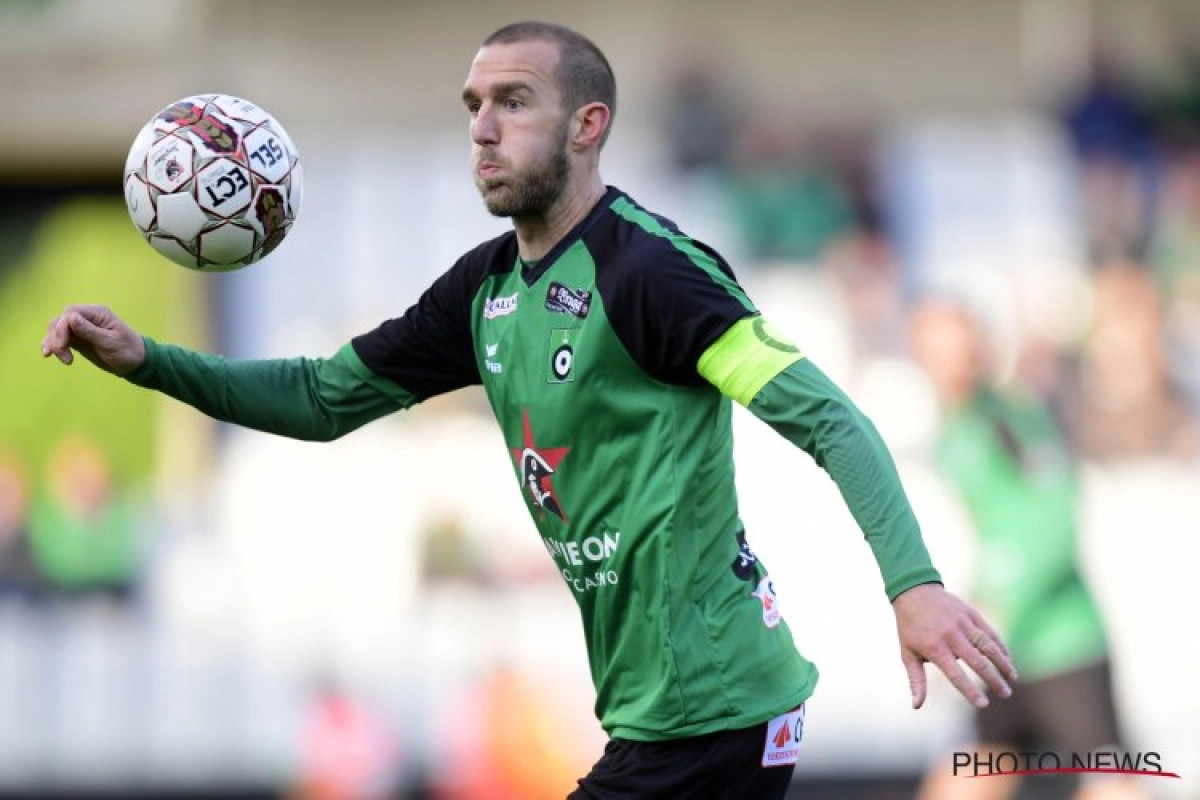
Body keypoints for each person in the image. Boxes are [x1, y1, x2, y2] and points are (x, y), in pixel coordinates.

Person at [41, 21, 1015, 800]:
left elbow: (831, 418)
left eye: (513, 101)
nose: (482, 127)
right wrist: (148, 362)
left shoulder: (654, 275)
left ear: (589, 125)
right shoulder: (484, 291)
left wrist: (913, 583)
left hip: (715, 712)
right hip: (663, 718)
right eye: (473, 105)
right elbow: (323, 396)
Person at [909, 299, 1147, 800]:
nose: (953, 364)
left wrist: (1002, 602)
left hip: (1061, 643)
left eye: (961, 350)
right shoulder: (952, 434)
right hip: (1001, 651)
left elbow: (1054, 519)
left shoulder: (1010, 419)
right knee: (974, 770)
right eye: (937, 352)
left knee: (1115, 782)